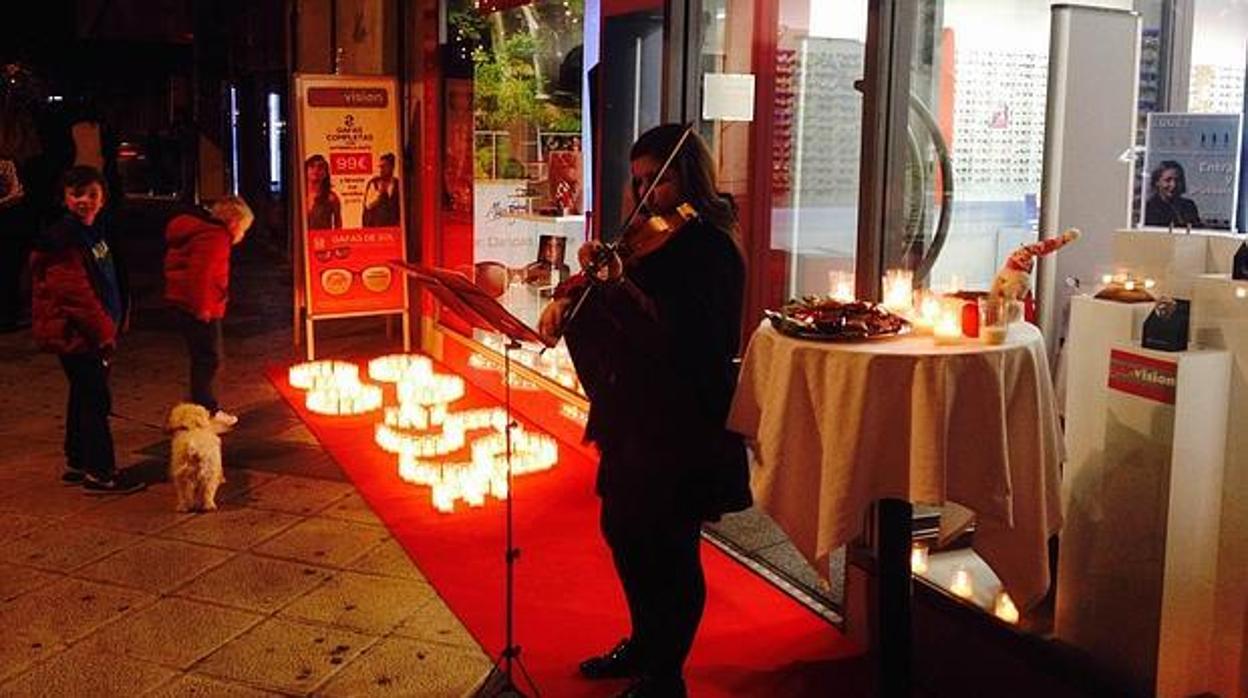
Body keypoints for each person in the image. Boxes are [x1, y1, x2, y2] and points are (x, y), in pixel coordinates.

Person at [539, 124, 752, 698]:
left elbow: (680, 338)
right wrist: (570, 295)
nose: (643, 194)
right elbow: (619, 299)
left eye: (654, 180)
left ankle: (666, 673)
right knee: (624, 529)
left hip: (682, 418)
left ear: (687, 178)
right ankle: (644, 642)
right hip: (635, 413)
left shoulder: (710, 245)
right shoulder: (646, 239)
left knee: (671, 544)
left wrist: (617, 287)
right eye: (636, 182)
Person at [29, 165, 144, 493]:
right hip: (78, 334)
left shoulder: (97, 230)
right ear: (64, 199)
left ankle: (78, 460)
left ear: (103, 197)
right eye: (76, 194)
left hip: (93, 332)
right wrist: (105, 333)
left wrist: (120, 315)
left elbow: (110, 278)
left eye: (91, 194)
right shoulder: (63, 240)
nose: (84, 201)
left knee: (82, 396)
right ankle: (100, 472)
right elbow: (75, 297)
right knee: (95, 401)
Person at [163, 195, 254, 428]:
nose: (243, 235)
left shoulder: (203, 233)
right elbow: (201, 274)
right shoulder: (216, 238)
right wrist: (202, 306)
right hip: (200, 307)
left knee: (202, 358)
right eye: (244, 229)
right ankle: (206, 410)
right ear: (234, 223)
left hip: (187, 303)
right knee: (209, 359)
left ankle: (196, 407)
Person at [1144, 160, 1202, 228]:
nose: (1173, 185)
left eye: (1177, 180)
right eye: (1167, 180)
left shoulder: (1189, 206)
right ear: (1157, 182)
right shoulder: (1150, 208)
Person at [361, 152, 400, 227]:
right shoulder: (373, 183)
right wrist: (379, 193)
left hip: (393, 229)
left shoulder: (398, 185)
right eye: (381, 167)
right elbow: (367, 206)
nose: (381, 169)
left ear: (392, 167)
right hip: (377, 229)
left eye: (384, 166)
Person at [304, 154, 341, 230]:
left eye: (320, 167)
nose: (316, 170)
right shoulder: (298, 196)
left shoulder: (331, 198)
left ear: (325, 173)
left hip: (322, 239)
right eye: (312, 166)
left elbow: (338, 225)